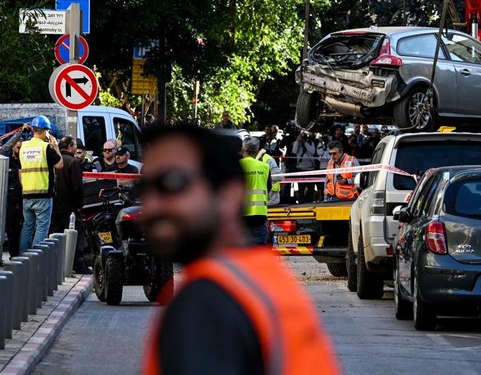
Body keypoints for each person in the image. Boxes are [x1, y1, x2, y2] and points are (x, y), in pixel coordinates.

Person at [138, 124, 341, 375]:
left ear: (229, 195)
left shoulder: (208, 301)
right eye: (144, 188)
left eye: (171, 184)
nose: (152, 205)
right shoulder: (258, 280)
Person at [19, 115, 63, 254]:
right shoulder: (46, 147)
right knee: (41, 228)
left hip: (27, 193)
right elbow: (60, 164)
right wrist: (56, 146)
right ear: (45, 131)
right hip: (43, 194)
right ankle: (35, 258)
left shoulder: (23, 147)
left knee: (27, 227)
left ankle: (22, 258)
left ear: (33, 129)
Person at [51, 136, 88, 272]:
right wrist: (79, 204)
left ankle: (56, 264)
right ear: (70, 147)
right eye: (74, 146)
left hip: (54, 205)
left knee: (55, 236)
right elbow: (77, 186)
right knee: (75, 235)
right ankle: (77, 264)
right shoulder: (73, 162)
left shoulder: (54, 160)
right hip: (70, 207)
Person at [240, 137, 271, 245]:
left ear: (243, 150)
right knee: (258, 252)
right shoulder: (265, 167)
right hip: (259, 216)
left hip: (241, 217)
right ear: (257, 152)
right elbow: (268, 187)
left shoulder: (237, 165)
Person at [5, 140, 24, 258]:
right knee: (12, 229)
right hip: (12, 199)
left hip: (23, 198)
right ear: (13, 147)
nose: (20, 150)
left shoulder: (25, 161)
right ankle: (14, 254)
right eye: (18, 147)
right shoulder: (8, 162)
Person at [293, 130, 318, 203]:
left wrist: (305, 143)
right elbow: (294, 151)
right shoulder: (297, 143)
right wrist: (298, 141)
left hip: (311, 168)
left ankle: (309, 201)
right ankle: (301, 201)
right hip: (301, 168)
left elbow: (313, 151)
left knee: (311, 188)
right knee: (301, 188)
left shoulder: (311, 143)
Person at [255, 138, 281, 206]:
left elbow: (278, 177)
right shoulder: (250, 159)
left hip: (271, 199)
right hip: (258, 201)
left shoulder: (268, 159)